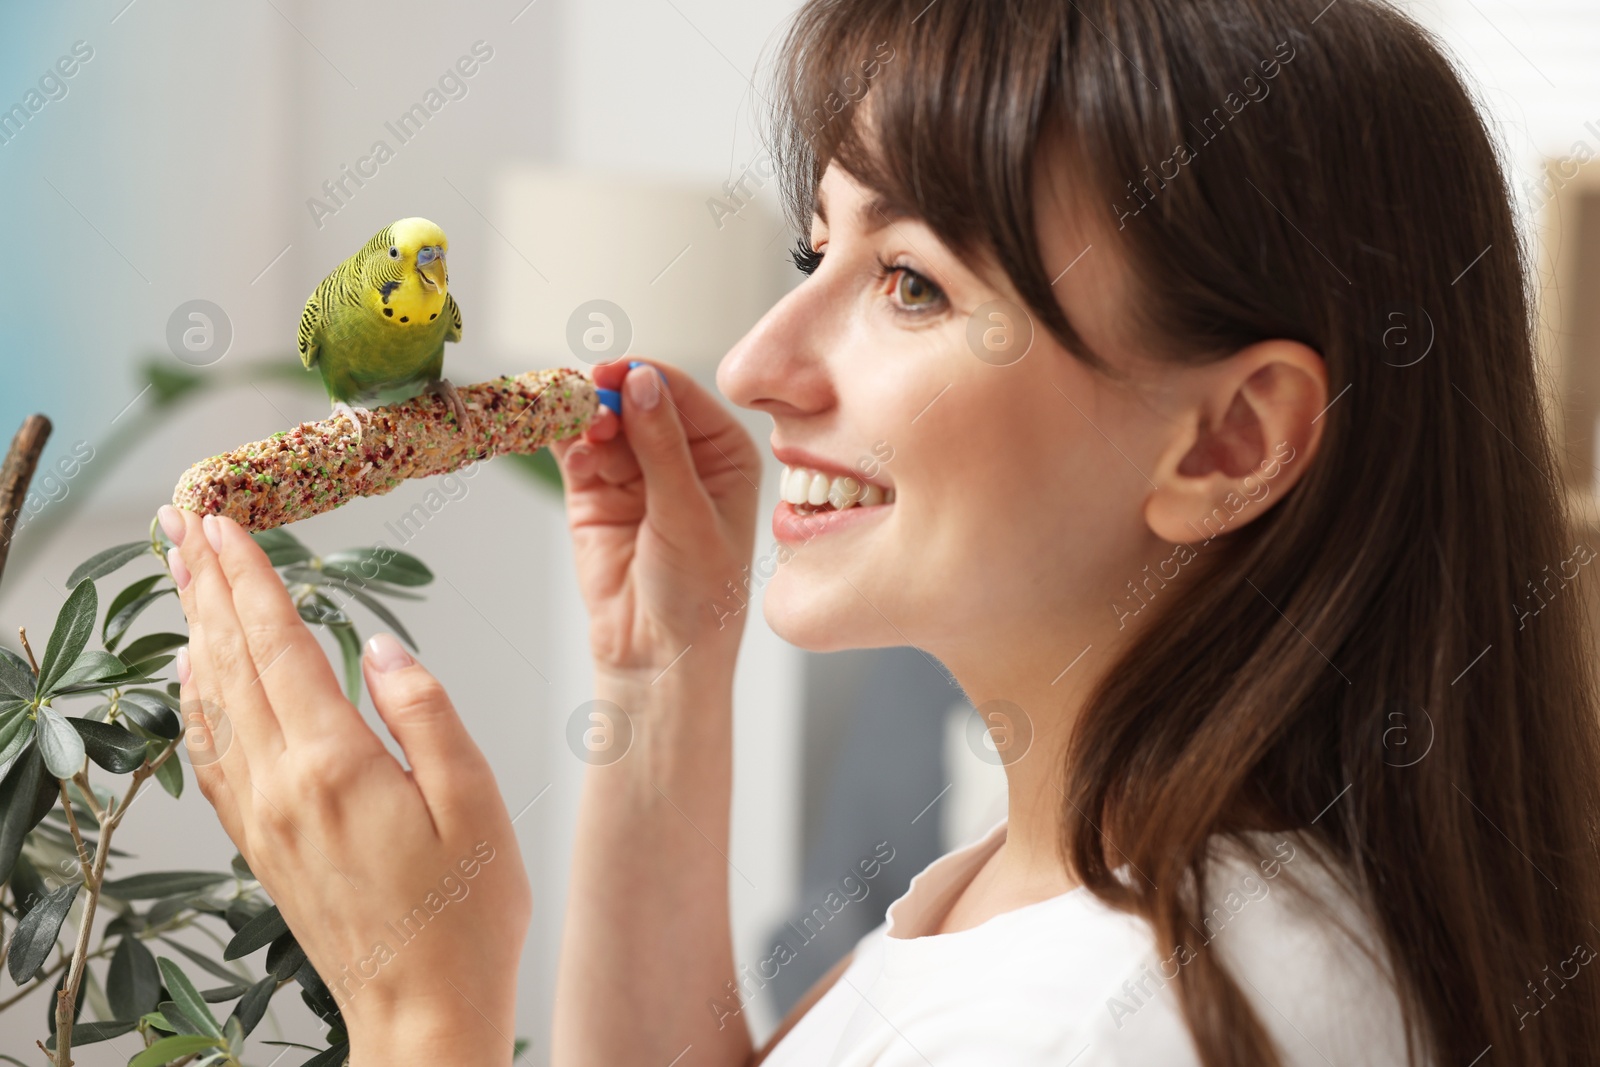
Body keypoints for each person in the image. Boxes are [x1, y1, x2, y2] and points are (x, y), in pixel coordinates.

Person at [155, 0, 1600, 1063]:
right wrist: (666, 680)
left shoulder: (1132, 1020)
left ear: (1230, 442)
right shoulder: (1046, 890)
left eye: (910, 282)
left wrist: (420, 1008)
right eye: (814, 248)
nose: (756, 364)